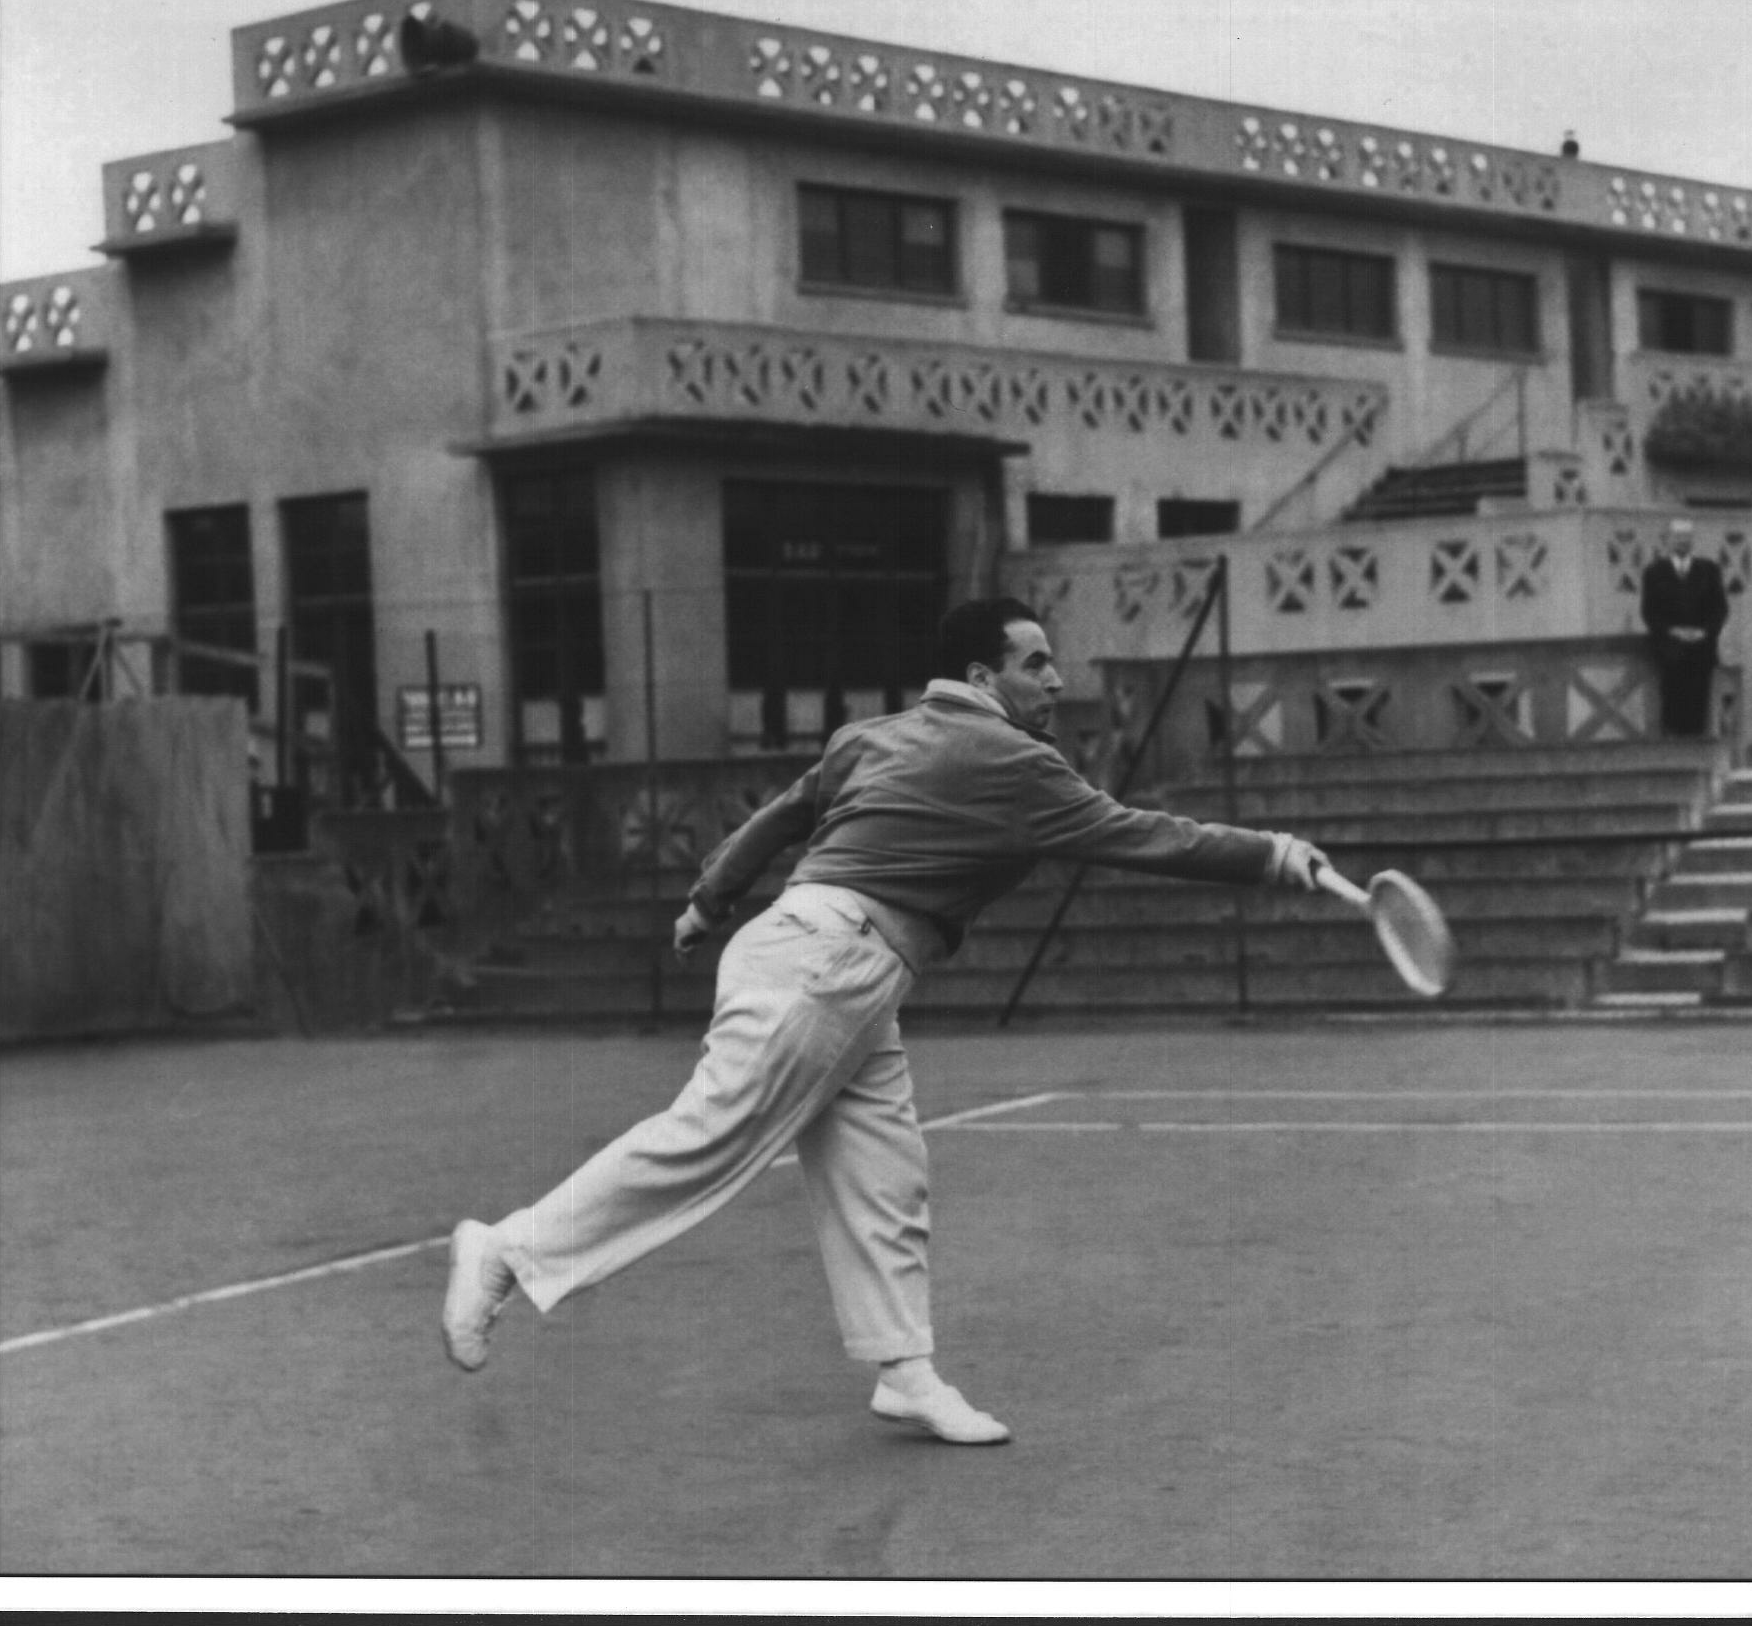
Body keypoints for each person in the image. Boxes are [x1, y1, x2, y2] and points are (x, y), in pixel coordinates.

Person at [440, 597, 1332, 1444]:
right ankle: (509, 1250)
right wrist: (1276, 855)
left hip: (829, 960)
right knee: (706, 1138)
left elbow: (782, 816)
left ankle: (904, 1370)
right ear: (983, 677)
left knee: (884, 1173)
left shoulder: (868, 736)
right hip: (829, 963)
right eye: (1037, 663)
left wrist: (707, 902)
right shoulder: (1017, 762)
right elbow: (1143, 834)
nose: (1056, 680)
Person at [1640, 517, 1730, 738]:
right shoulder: (1654, 572)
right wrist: (1672, 632)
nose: (1683, 541)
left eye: (1687, 536)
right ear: (1667, 540)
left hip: (1702, 650)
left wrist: (1704, 632)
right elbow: (1649, 612)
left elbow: (1720, 609)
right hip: (1670, 652)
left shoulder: (1709, 570)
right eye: (1678, 536)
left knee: (1702, 705)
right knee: (1672, 705)